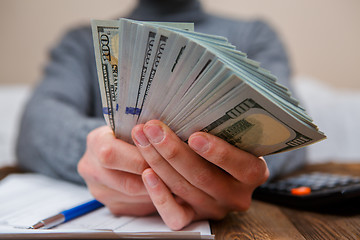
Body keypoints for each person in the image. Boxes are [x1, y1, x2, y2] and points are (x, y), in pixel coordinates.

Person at [16, 0, 306, 230]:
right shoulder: (81, 41)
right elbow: (34, 127)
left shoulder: (254, 34)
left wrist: (221, 168)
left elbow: (291, 130)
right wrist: (104, 153)